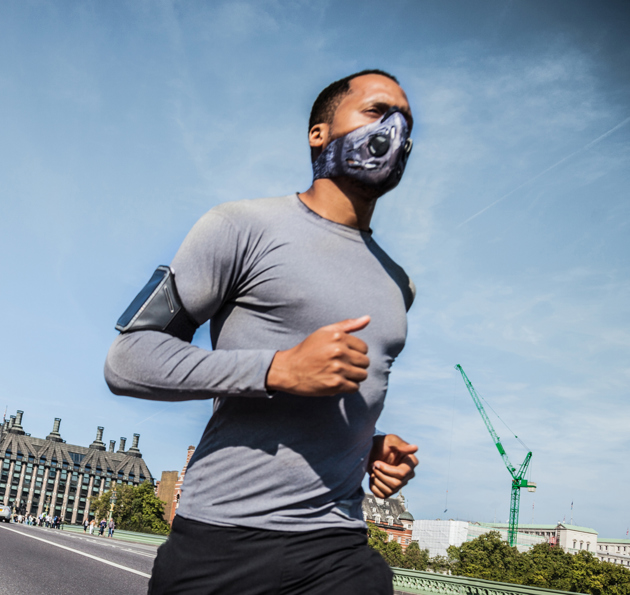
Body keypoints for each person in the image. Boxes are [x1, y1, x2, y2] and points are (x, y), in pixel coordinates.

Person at [105, 69, 419, 595]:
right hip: (222, 540)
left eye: (407, 122)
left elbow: (331, 400)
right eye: (376, 111)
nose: (396, 130)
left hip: (337, 546)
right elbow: (127, 358)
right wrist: (277, 368)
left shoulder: (399, 284)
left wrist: (367, 444)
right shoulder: (240, 227)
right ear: (319, 132)